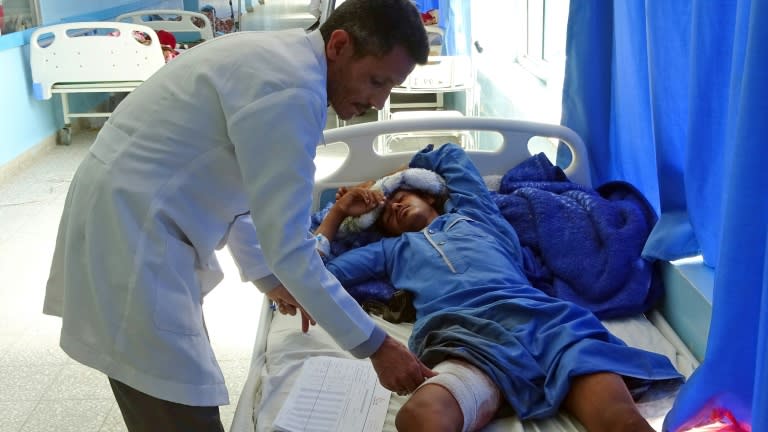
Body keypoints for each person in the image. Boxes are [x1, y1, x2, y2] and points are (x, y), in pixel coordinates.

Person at [43, 1, 433, 430]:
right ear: (339, 45)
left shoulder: (280, 60)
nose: (378, 101)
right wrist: (378, 346)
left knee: (171, 399)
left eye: (390, 88)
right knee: (178, 409)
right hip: (132, 240)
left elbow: (247, 193)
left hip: (130, 221)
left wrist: (271, 279)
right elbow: (290, 246)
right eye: (376, 80)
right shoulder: (293, 91)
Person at [312, 143, 684, 432]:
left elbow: (447, 154)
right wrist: (338, 213)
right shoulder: (391, 251)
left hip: (546, 329)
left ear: (428, 194)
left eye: (400, 196)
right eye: (385, 212)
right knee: (419, 418)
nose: (392, 206)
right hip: (466, 339)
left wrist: (386, 182)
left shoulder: (477, 214)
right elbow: (318, 273)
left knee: (623, 421)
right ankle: (489, 393)